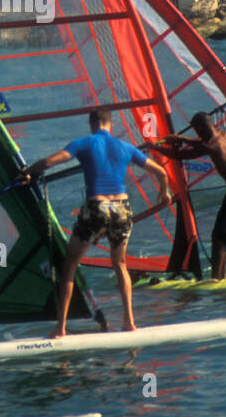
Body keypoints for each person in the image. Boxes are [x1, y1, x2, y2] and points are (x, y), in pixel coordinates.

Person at [19, 108, 171, 337]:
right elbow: (161, 172)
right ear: (110, 124)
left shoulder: (84, 143)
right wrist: (164, 193)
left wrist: (29, 171)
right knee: (120, 264)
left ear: (92, 124)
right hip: (122, 208)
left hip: (96, 208)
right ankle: (129, 322)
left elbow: (52, 161)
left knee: (69, 264)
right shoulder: (126, 147)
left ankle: (60, 328)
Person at [149, 113, 226, 280]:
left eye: (196, 130)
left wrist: (155, 147)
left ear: (200, 128)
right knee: (222, 237)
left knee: (220, 238)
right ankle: (221, 277)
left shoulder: (212, 146)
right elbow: (199, 141)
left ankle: (217, 279)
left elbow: (181, 155)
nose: (196, 134)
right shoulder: (222, 134)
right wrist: (180, 138)